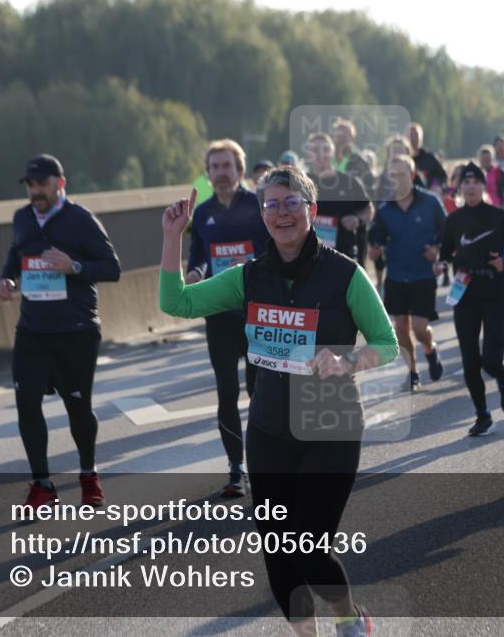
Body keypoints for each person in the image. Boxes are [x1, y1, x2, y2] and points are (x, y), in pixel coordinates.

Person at [159, 166, 398, 637]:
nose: (282, 213)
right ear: (262, 215)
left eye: (292, 203)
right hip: (269, 430)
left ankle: (350, 617)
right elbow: (178, 304)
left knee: (308, 549)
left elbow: (387, 344)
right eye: (272, 204)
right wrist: (172, 238)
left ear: (312, 210)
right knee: (278, 551)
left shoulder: (345, 274)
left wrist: (347, 360)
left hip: (331, 427)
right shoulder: (249, 277)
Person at [0, 154, 121, 508]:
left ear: (60, 183)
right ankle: (43, 484)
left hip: (75, 330)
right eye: (31, 185)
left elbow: (112, 268)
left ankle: (88, 474)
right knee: (26, 403)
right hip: (32, 329)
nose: (36, 191)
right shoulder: (22, 218)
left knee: (78, 409)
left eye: (42, 184)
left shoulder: (81, 220)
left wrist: (74, 266)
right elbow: (15, 254)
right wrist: (7, 278)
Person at [186, 140, 270, 497]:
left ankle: (266, 463)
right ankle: (236, 469)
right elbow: (198, 256)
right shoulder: (202, 213)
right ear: (208, 173)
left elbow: (277, 251)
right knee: (226, 393)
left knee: (259, 393)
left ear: (240, 170)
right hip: (219, 314)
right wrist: (194, 273)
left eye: (227, 165)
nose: (221, 172)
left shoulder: (258, 206)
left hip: (256, 314)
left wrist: (252, 266)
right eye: (215, 166)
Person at [438, 162, 504, 435]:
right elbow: (445, 252)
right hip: (465, 296)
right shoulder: (453, 220)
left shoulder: (500, 217)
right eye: (466, 182)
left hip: (495, 294)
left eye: (476, 182)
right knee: (470, 359)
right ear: (459, 187)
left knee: (491, 360)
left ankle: (503, 378)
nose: (471, 186)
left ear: (484, 186)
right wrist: (439, 264)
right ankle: (482, 415)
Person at [368, 155, 448, 392]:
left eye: (401, 174)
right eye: (392, 176)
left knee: (420, 329)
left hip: (423, 274)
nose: (396, 180)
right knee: (400, 327)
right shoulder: (385, 209)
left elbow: (447, 232)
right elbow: (376, 238)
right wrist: (374, 250)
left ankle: (430, 348)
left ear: (412, 175)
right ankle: (412, 372)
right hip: (396, 275)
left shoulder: (430, 202)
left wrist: (437, 249)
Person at [305, 133, 374, 266]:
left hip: (344, 257)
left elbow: (368, 209)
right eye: (316, 150)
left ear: (333, 152)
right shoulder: (301, 183)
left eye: (325, 149)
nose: (321, 154)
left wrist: (358, 220)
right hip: (310, 258)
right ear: (309, 155)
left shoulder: (349, 182)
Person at [332, 118, 375, 192]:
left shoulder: (360, 162)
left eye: (345, 136)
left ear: (352, 138)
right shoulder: (325, 159)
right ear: (333, 137)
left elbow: (368, 189)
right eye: (339, 136)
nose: (341, 139)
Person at [408, 122, 449, 191]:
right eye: (411, 135)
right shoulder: (402, 160)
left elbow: (443, 177)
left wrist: (436, 185)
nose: (413, 138)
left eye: (416, 135)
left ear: (421, 138)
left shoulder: (430, 158)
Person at [477, 145, 504, 211]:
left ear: (492, 159)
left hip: (499, 207)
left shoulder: (498, 172)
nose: (485, 162)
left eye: (487, 159)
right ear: (479, 160)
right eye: (483, 159)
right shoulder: (476, 174)